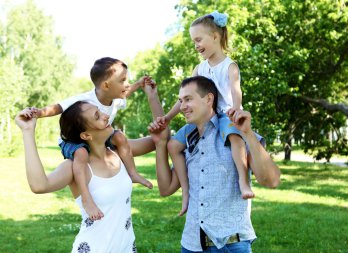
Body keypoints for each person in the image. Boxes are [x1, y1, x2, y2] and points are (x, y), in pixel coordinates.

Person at [149, 76, 280, 252]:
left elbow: (271, 180)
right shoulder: (186, 139)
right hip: (192, 244)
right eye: (181, 101)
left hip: (232, 244)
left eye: (188, 99)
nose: (182, 107)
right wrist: (160, 144)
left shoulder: (234, 131)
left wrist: (248, 134)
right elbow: (165, 189)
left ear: (209, 99)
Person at [156, 11, 263, 216]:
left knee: (235, 137)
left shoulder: (229, 66)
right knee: (173, 144)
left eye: (198, 39)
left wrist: (237, 109)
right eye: (193, 41)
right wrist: (168, 117)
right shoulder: (199, 68)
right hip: (203, 118)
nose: (196, 45)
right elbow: (186, 96)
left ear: (215, 37)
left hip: (224, 114)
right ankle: (185, 192)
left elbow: (235, 89)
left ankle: (243, 180)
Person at [21, 57, 155, 221]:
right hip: (73, 142)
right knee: (82, 155)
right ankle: (86, 197)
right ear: (106, 85)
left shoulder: (115, 100)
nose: (127, 85)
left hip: (97, 139)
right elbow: (58, 107)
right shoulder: (85, 101)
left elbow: (126, 92)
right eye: (123, 80)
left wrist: (140, 85)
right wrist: (38, 113)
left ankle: (133, 173)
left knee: (120, 137)